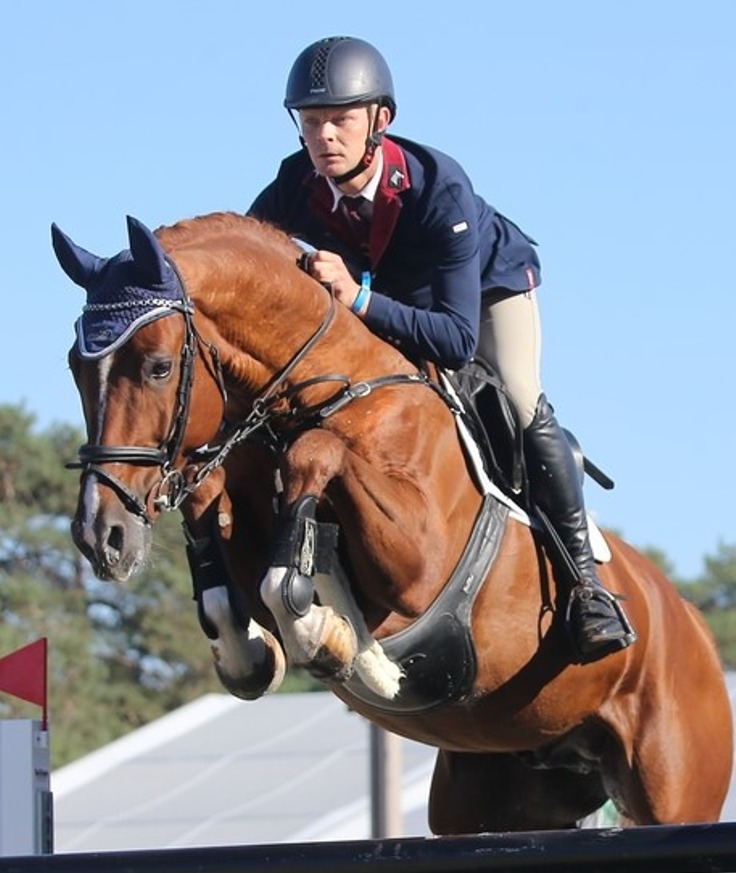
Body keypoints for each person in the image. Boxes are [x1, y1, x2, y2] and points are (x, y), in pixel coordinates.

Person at [248, 35, 636, 662]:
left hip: (483, 292)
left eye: (341, 120)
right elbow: (250, 255)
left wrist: (355, 299)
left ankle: (586, 592)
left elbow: (455, 340)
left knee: (516, 394)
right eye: (311, 122)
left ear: (381, 121)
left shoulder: (439, 188)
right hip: (389, 292)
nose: (325, 137)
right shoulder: (296, 183)